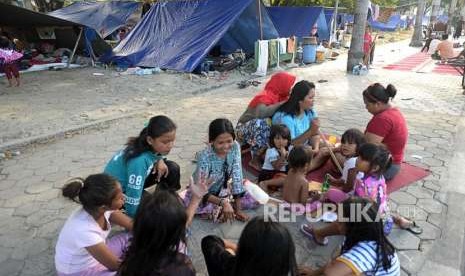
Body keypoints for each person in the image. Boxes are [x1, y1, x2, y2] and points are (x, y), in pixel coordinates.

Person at [299, 197, 400, 276]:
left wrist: (334, 261)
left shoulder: (363, 252)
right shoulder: (369, 236)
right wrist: (313, 274)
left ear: (354, 228)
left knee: (340, 265)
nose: (335, 222)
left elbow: (330, 272)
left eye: (340, 221)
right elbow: (337, 262)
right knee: (341, 262)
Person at [55, 174, 133, 275]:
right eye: (119, 198)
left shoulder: (100, 209)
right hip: (79, 271)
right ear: (103, 207)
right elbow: (114, 265)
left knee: (133, 236)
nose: (124, 198)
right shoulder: (85, 230)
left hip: (96, 256)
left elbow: (133, 225)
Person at [183, 118, 255, 223]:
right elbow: (201, 190)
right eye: (220, 142)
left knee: (253, 197)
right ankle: (225, 204)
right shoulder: (204, 156)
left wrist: (238, 210)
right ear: (212, 141)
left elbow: (237, 175)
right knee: (218, 213)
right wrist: (223, 203)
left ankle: (230, 205)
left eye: (229, 141)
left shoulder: (235, 147)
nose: (226, 146)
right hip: (203, 193)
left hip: (223, 187)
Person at [104, 115, 177, 217]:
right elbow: (133, 194)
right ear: (150, 140)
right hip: (117, 192)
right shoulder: (139, 161)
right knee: (151, 208)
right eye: (165, 142)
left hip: (132, 180)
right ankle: (126, 209)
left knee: (172, 169)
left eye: (172, 140)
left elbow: (155, 155)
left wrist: (159, 159)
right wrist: (133, 220)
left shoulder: (145, 144)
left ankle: (165, 200)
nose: (170, 145)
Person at [237, 72, 296, 170]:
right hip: (244, 129)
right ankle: (254, 160)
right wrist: (283, 103)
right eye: (289, 86)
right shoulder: (264, 96)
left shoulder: (282, 96)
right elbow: (261, 114)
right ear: (281, 85)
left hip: (257, 132)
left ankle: (266, 154)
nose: (290, 89)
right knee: (262, 124)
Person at [201, 216, 298, 276]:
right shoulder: (289, 270)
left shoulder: (228, 265)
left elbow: (209, 241)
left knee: (228, 250)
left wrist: (236, 248)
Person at [272, 80, 321, 170]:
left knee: (329, 147)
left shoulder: (310, 111)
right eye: (310, 98)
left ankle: (309, 164)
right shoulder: (286, 118)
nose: (313, 101)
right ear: (300, 100)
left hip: (304, 145)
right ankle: (301, 170)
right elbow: (290, 144)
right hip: (287, 150)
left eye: (313, 97)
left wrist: (316, 148)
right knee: (323, 153)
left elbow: (316, 133)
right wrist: (310, 131)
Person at [363, 83, 406, 180]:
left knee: (338, 156)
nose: (366, 108)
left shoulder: (382, 119)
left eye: (367, 104)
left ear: (378, 104)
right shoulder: (393, 111)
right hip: (393, 163)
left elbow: (367, 147)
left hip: (386, 168)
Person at [257, 124, 291, 190]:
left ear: (288, 140)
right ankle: (265, 183)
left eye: (284, 138)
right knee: (285, 180)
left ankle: (278, 186)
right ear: (272, 139)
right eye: (277, 138)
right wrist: (283, 155)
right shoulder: (271, 151)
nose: (280, 141)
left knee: (292, 179)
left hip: (279, 174)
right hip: (268, 175)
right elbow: (276, 167)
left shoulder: (288, 149)